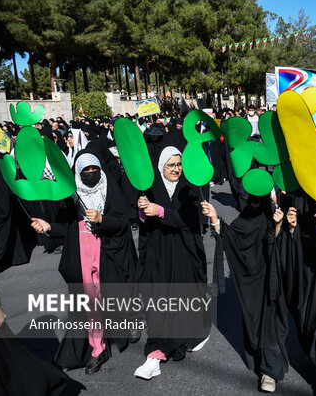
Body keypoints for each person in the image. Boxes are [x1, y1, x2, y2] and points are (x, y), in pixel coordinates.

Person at [30, 151, 137, 373]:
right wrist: (48, 226)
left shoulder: (109, 189)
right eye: (85, 171)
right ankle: (98, 349)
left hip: (108, 253)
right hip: (80, 255)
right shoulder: (72, 197)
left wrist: (102, 219)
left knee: (115, 295)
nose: (90, 175)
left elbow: (122, 223)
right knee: (90, 303)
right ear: (77, 173)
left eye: (93, 170)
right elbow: (65, 229)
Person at [202, 191, 290, 393]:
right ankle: (264, 365)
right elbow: (233, 237)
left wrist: (279, 226)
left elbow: (286, 245)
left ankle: (270, 369)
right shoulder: (249, 216)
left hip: (275, 279)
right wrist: (215, 219)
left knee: (273, 322)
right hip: (253, 282)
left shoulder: (278, 212)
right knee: (257, 320)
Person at [134, 146, 210, 380]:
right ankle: (155, 351)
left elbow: (189, 221)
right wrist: (144, 211)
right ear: (161, 167)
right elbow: (144, 223)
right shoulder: (151, 189)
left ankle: (185, 337)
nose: (176, 169)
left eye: (179, 164)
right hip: (159, 254)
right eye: (171, 165)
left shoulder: (189, 189)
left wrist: (161, 211)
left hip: (184, 252)